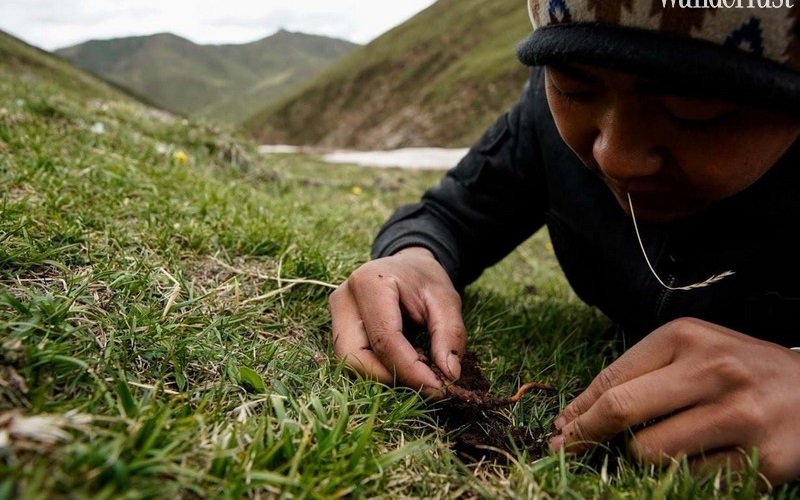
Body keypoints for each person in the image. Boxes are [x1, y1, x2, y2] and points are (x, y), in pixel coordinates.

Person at [329, 0, 800, 487]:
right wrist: (412, 258)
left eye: (694, 111)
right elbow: (448, 214)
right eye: (574, 87)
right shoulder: (542, 120)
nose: (614, 155)